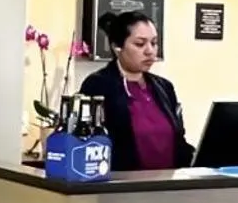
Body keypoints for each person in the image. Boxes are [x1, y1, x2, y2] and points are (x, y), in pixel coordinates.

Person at [79, 10, 195, 171]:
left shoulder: (164, 87)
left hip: (169, 187)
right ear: (117, 47)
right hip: (122, 187)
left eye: (154, 43)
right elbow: (89, 144)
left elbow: (178, 141)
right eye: (140, 44)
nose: (150, 51)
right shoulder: (98, 85)